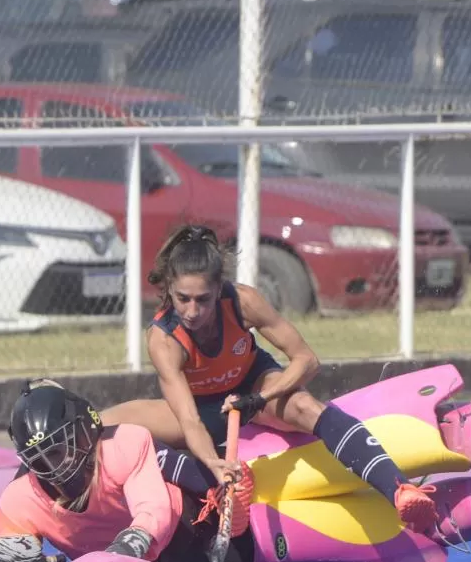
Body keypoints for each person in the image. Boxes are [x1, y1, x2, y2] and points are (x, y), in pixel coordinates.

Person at [100, 223, 438, 534]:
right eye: (182, 299)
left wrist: (260, 400)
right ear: (169, 292)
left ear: (219, 289)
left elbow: (306, 360)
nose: (191, 311)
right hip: (200, 408)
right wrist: (216, 466)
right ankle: (211, 490)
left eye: (202, 300)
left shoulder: (243, 301)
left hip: (253, 383)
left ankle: (399, 490)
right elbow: (189, 420)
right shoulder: (164, 339)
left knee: (305, 406)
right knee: (102, 427)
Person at [0, 378, 255, 562]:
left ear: (83, 433)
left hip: (182, 530)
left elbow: (154, 509)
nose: (55, 467)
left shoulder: (124, 443)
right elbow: (15, 558)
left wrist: (125, 548)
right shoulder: (17, 500)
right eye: (40, 459)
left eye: (57, 451)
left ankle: (235, 514)